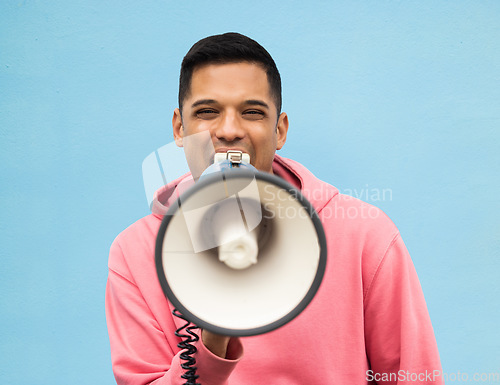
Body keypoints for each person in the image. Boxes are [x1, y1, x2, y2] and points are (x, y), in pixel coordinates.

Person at [106, 32, 444, 384]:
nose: (229, 130)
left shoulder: (364, 236)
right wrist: (210, 339)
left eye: (252, 112)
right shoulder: (135, 253)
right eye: (207, 112)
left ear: (279, 130)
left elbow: (414, 376)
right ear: (180, 128)